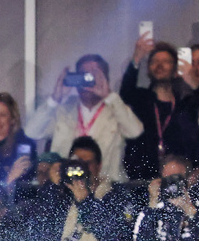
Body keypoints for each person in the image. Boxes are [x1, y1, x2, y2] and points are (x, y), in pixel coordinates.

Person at [24, 54, 143, 183]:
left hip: (107, 188)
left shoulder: (116, 109)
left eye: (93, 75)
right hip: (67, 187)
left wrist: (110, 96)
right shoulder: (63, 110)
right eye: (83, 75)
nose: (87, 80)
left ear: (105, 78)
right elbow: (31, 131)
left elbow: (135, 131)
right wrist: (54, 99)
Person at [120, 36, 193, 181]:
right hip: (142, 179)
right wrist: (137, 58)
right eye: (154, 62)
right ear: (148, 69)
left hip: (176, 178)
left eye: (166, 62)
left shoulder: (184, 105)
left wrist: (191, 80)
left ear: (175, 69)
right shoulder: (140, 98)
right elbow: (125, 92)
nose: (159, 65)